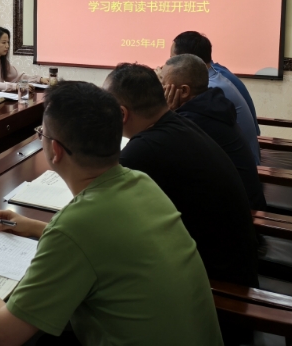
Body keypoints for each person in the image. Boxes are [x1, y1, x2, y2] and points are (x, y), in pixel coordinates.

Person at [0, 81, 222, 346]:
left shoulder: (76, 226)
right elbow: (105, 244)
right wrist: (35, 227)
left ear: (55, 150)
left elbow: (7, 333)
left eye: (41, 134)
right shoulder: (141, 182)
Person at [104, 63, 259, 289]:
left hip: (217, 287)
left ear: (121, 114)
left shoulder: (143, 151)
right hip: (237, 263)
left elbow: (103, 220)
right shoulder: (181, 122)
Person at [160, 54, 266, 210]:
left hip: (240, 213)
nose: (159, 90)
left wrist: (165, 114)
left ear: (184, 91)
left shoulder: (194, 120)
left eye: (163, 84)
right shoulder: (211, 104)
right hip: (240, 201)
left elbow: (157, 150)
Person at [171, 31, 261, 164]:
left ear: (186, 61)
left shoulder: (209, 88)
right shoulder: (216, 75)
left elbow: (180, 132)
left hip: (242, 167)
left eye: (172, 59)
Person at [0, 26, 47, 92]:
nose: (7, 46)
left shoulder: (2, 61)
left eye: (8, 42)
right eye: (4, 42)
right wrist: (16, 86)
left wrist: (39, 79)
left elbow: (17, 78)